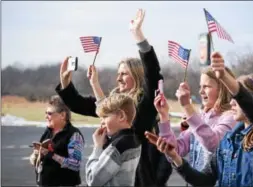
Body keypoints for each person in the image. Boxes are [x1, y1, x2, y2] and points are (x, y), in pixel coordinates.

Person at [55, 9, 163, 186]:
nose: (118, 78)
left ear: (136, 76)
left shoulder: (144, 106)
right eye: (118, 73)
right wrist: (66, 84)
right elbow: (81, 105)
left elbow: (153, 76)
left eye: (124, 74)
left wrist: (139, 38)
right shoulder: (114, 103)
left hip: (138, 178)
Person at [148, 52, 253, 187]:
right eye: (232, 97)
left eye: (237, 98)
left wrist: (224, 78)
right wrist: (175, 157)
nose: (232, 102)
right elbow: (205, 180)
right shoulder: (228, 140)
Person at [154, 65, 237, 181]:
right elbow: (177, 149)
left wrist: (187, 107)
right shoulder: (201, 117)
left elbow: (213, 144)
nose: (201, 91)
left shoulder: (232, 116)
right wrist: (164, 115)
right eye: (200, 87)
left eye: (206, 86)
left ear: (222, 88)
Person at [85, 93, 141, 186]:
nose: (101, 122)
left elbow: (93, 179)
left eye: (105, 117)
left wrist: (97, 147)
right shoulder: (134, 139)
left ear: (121, 116)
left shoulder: (118, 146)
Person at [29, 95, 84, 187]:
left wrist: (51, 155)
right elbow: (34, 161)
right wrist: (35, 155)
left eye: (49, 113)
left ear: (62, 115)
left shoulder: (74, 135)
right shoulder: (48, 132)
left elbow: (75, 164)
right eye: (46, 113)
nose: (46, 117)